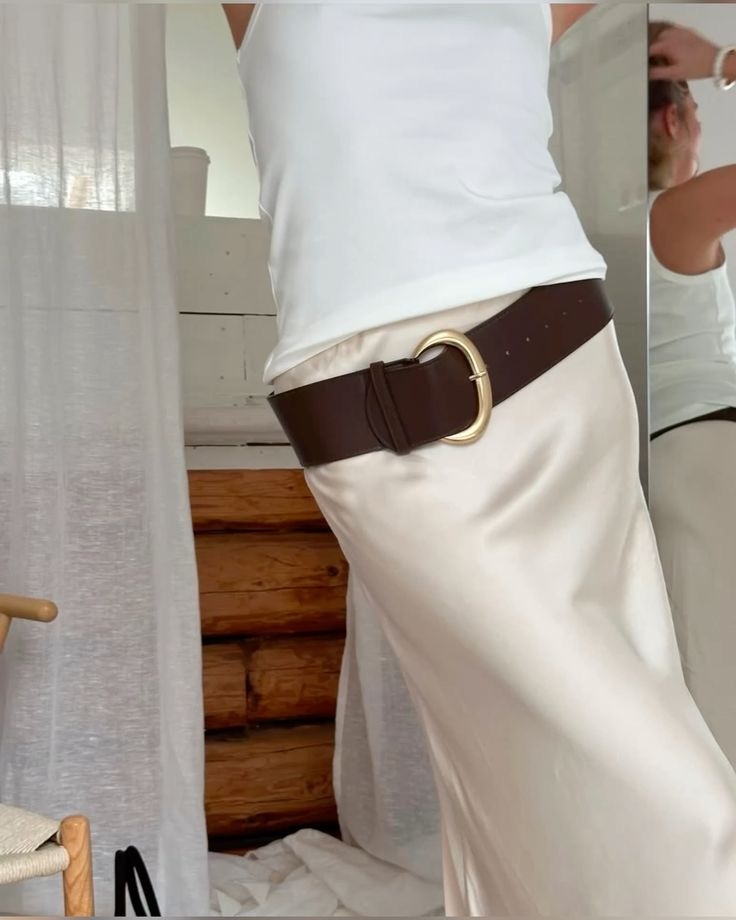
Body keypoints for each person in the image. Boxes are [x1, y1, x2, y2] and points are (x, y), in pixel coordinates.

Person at [223, 4, 736, 915]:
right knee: (660, 803)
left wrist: (724, 54)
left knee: (532, 796)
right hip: (384, 422)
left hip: (567, 379)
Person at [648, 22, 736, 769]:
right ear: (674, 121)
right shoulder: (672, 214)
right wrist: (726, 61)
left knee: (703, 674)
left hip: (659, 465)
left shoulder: (586, 224)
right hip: (710, 456)